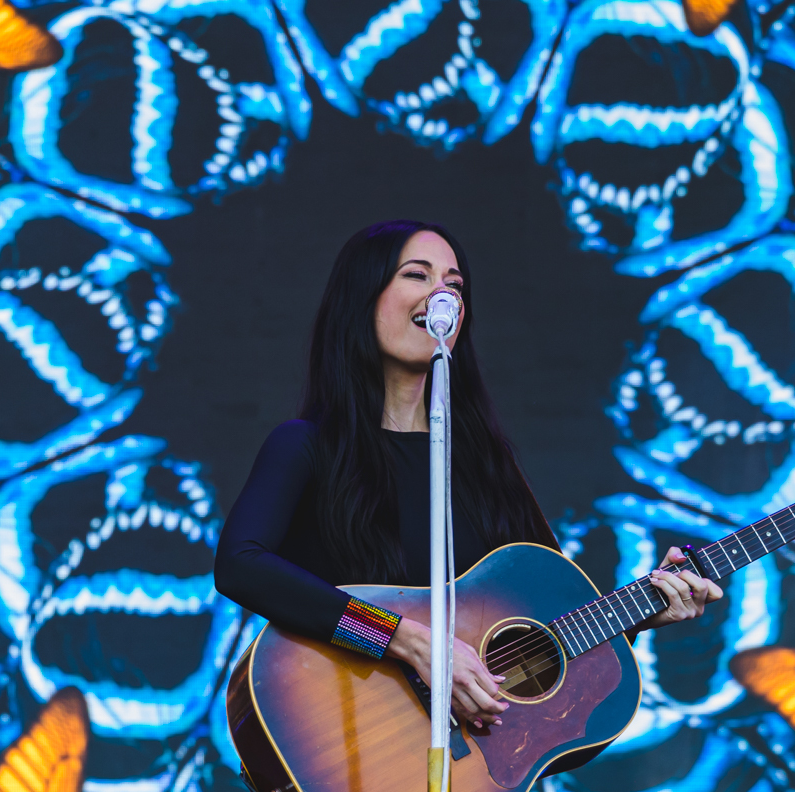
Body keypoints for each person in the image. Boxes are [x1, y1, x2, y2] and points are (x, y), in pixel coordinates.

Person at [214, 220, 723, 731]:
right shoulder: (306, 446)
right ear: (361, 298)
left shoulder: (485, 466)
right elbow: (241, 564)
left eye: (454, 286)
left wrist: (638, 614)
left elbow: (547, 635)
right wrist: (404, 639)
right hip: (344, 738)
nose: (442, 295)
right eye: (417, 275)